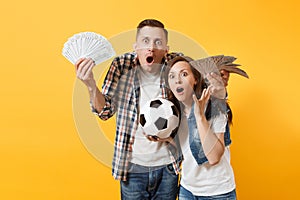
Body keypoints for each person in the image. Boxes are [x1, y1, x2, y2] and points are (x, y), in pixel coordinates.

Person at [75, 19, 226, 199]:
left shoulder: (177, 65)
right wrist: (91, 85)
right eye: (145, 41)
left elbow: (204, 90)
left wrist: (220, 83)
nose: (151, 48)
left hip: (168, 167)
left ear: (166, 49)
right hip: (132, 169)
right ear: (135, 46)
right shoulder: (121, 66)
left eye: (158, 42)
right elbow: (105, 111)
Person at [166, 56, 237, 200]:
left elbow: (214, 157)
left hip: (217, 192)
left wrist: (199, 116)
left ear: (196, 79)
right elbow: (186, 151)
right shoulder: (174, 112)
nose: (177, 80)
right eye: (172, 76)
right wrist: (164, 137)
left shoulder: (215, 106)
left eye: (184, 74)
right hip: (187, 190)